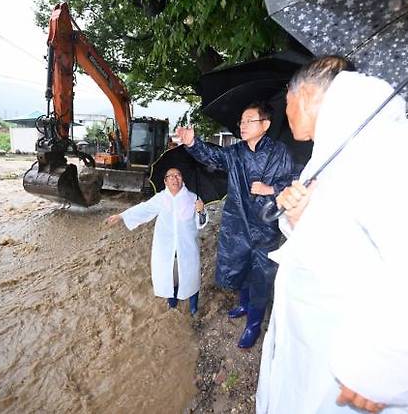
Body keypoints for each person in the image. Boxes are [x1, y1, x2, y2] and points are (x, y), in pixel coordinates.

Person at [256, 56, 408, 414]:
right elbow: (341, 238)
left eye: (286, 102)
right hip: (314, 348)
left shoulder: (391, 151)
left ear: (309, 93)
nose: (286, 113)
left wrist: (387, 370)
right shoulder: (334, 150)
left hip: (353, 367)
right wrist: (298, 216)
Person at [176, 101, 295, 348]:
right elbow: (214, 156)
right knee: (238, 265)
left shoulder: (279, 152)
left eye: (249, 120)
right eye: (241, 121)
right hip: (237, 223)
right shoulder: (236, 152)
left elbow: (293, 181)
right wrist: (191, 143)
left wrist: (269, 189)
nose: (242, 125)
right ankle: (243, 303)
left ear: (265, 124)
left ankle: (253, 324)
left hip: (265, 225)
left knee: (261, 275)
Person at [106, 168, 207, 315]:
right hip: (166, 249)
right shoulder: (161, 198)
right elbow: (144, 209)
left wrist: (201, 211)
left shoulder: (193, 198)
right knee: (170, 278)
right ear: (165, 181)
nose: (174, 178)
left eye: (178, 175)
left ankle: (193, 309)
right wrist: (121, 216)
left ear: (182, 179)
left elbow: (201, 223)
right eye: (170, 176)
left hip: (187, 248)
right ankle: (172, 307)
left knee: (191, 278)